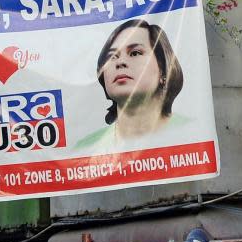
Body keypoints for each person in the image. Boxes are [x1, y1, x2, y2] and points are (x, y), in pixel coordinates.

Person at [77, 19, 186, 150]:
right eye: (112, 57)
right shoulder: (84, 149)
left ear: (163, 70)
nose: (120, 62)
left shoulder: (192, 131)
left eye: (135, 53)